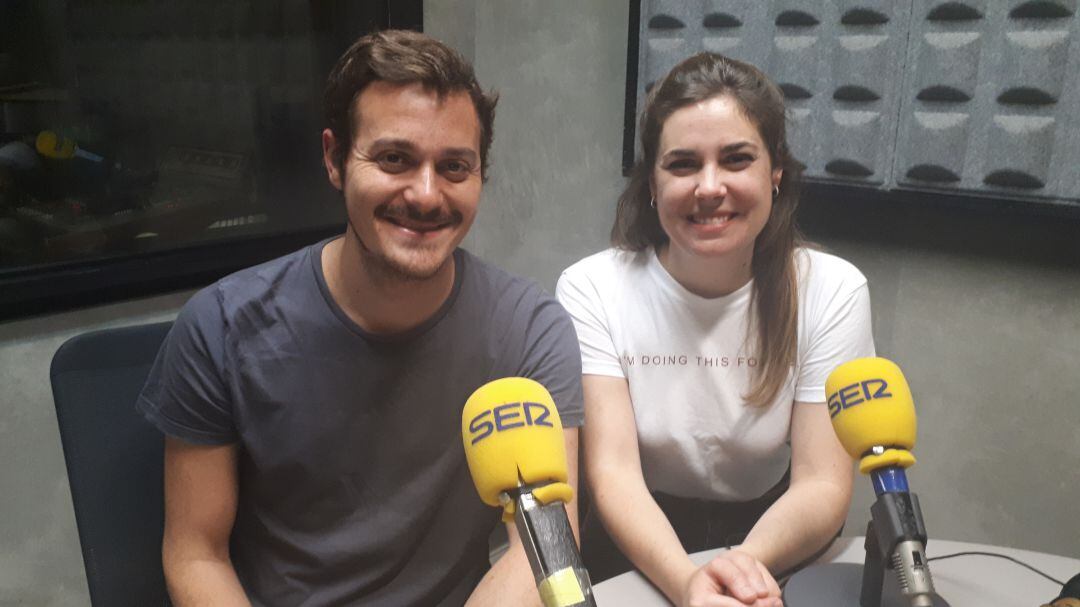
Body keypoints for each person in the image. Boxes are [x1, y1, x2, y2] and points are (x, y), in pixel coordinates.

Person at [137, 30, 584, 606]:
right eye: (395, 158)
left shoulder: (531, 329)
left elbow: (546, 543)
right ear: (334, 158)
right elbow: (196, 554)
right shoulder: (220, 328)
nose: (426, 195)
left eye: (454, 166)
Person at [556, 52, 875, 607]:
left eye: (736, 159)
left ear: (775, 172)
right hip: (637, 539)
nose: (709, 187)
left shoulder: (833, 291)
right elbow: (612, 472)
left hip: (774, 535)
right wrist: (687, 583)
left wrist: (742, 571)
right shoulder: (592, 288)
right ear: (651, 183)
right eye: (682, 164)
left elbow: (823, 483)